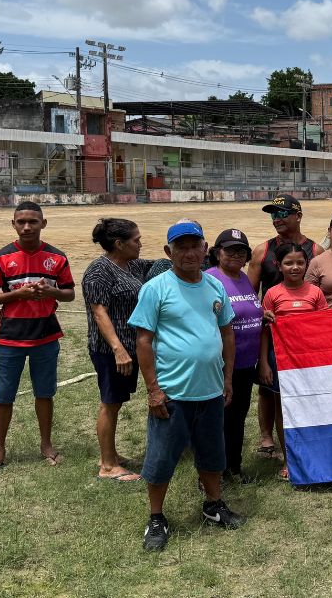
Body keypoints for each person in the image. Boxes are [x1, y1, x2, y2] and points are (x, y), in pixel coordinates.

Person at [130, 221, 243, 552]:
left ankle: (213, 505)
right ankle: (156, 518)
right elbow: (143, 340)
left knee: (212, 455)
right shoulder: (156, 288)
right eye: (182, 247)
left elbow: (226, 333)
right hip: (172, 394)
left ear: (206, 248)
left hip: (210, 391)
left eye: (196, 245)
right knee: (162, 459)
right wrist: (153, 390)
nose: (190, 253)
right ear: (169, 252)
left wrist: (227, 378)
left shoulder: (214, 287)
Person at [0, 202, 75, 474]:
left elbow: (69, 293)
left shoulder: (56, 258)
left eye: (33, 221)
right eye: (21, 221)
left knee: (44, 393)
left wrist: (51, 292)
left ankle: (46, 444)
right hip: (10, 339)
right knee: (3, 396)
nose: (26, 226)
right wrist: (16, 295)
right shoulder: (0, 258)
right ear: (13, 224)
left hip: (45, 337)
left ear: (43, 224)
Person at [248, 194, 323, 459]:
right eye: (272, 214)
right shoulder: (262, 251)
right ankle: (266, 437)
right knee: (268, 389)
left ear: (298, 216)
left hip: (303, 339)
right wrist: (263, 313)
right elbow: (249, 295)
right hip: (272, 332)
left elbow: (317, 293)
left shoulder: (315, 251)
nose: (276, 219)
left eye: (282, 214)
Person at [83, 218, 154, 482]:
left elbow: (160, 265)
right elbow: (99, 312)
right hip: (110, 350)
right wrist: (118, 349)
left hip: (131, 346)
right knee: (110, 403)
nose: (140, 243)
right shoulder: (99, 271)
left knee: (117, 401)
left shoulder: (132, 265)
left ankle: (110, 453)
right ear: (119, 243)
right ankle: (108, 465)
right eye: (136, 240)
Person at [260, 243, 328, 480]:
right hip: (279, 360)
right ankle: (290, 459)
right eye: (289, 263)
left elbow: (325, 327)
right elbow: (265, 332)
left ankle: (315, 454)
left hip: (309, 360)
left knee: (311, 407)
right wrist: (264, 363)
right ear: (278, 265)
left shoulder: (315, 293)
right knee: (284, 409)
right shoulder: (272, 294)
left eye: (300, 262)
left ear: (306, 264)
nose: (295, 267)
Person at [205, 228, 263, 482]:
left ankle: (234, 467)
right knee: (217, 420)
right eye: (230, 250)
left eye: (242, 251)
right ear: (218, 252)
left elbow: (247, 310)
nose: (237, 255)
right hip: (220, 364)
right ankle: (212, 471)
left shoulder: (243, 278)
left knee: (237, 417)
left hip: (245, 363)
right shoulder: (209, 279)